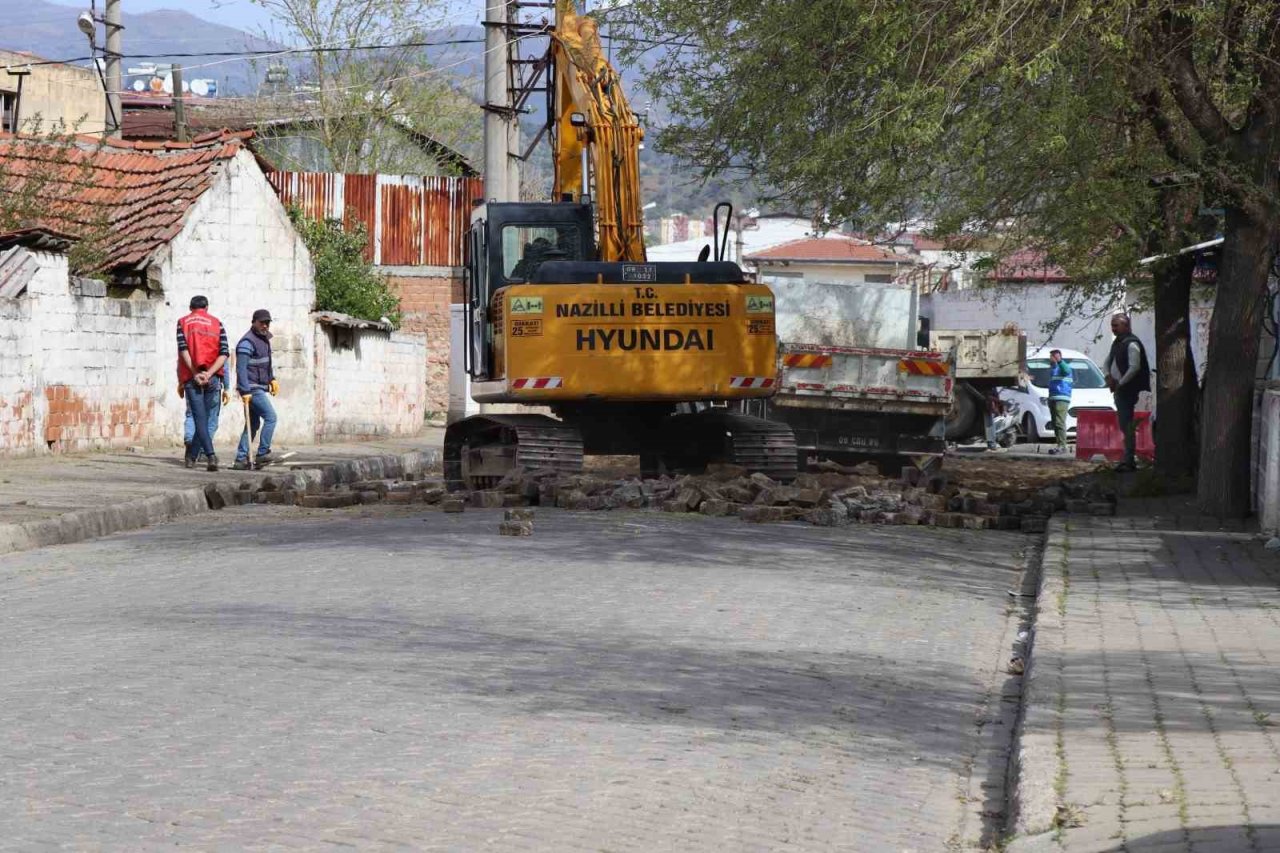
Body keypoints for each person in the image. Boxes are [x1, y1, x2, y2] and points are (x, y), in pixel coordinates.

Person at [176, 295, 229, 471]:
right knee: (204, 419)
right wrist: (209, 373)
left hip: (192, 377)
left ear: (191, 307)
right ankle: (192, 457)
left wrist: (195, 373)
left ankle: (210, 456)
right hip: (212, 377)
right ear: (206, 307)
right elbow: (224, 353)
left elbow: (183, 350)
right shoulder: (217, 323)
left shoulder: (182, 322)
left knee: (199, 418)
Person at [1102, 313, 1151, 472]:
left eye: (1116, 325)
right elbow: (1107, 361)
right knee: (1124, 425)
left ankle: (1129, 460)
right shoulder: (1118, 342)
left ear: (1126, 325)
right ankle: (1127, 458)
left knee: (1126, 425)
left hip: (1127, 389)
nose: (1113, 328)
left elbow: (1134, 367)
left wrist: (1120, 384)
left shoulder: (1131, 343)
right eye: (1112, 325)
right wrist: (1108, 376)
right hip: (1118, 388)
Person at [233, 308, 280, 470]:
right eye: (262, 322)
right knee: (271, 417)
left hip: (259, 386)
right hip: (252, 389)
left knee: (252, 424)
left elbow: (267, 364)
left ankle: (240, 459)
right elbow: (241, 369)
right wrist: (244, 391)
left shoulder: (264, 339)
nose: (265, 326)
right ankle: (262, 453)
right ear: (254, 322)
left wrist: (272, 379)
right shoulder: (247, 342)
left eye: (267, 323)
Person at [1047, 348, 1073, 455]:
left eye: (1052, 356)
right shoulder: (1053, 369)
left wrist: (1060, 361)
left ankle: (1062, 446)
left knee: (1059, 422)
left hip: (1061, 398)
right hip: (1053, 398)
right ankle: (1059, 444)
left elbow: (1066, 371)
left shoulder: (1064, 367)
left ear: (1058, 357)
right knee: (1055, 423)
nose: (1050, 359)